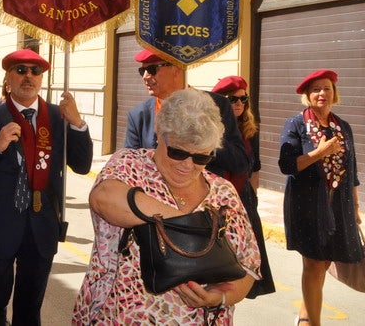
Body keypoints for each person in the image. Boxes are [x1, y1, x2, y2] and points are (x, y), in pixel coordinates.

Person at [73, 88, 260, 324]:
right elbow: (104, 199)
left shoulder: (223, 193)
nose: (188, 165)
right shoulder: (130, 165)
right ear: (161, 133)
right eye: (178, 152)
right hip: (120, 317)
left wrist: (219, 298)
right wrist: (195, 228)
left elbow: (248, 266)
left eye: (201, 157)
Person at [0, 49, 93, 325]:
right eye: (20, 70)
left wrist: (78, 123)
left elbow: (82, 166)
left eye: (35, 71)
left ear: (41, 79)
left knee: (30, 308)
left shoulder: (59, 117)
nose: (28, 76)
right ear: (8, 78)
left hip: (41, 225)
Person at [278, 69, 363, 325]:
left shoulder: (343, 126)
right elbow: (286, 165)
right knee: (314, 265)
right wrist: (319, 152)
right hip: (307, 206)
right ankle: (311, 322)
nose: (321, 93)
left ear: (333, 92)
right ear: (307, 95)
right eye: (315, 89)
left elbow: (353, 169)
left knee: (324, 262)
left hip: (339, 204)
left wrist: (356, 207)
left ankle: (305, 313)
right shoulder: (296, 124)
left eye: (326, 88)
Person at [124, 49, 249, 181]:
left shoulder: (217, 105)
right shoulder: (139, 115)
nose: (145, 77)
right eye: (142, 71)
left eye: (152, 69)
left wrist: (206, 137)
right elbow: (130, 165)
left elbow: (240, 164)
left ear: (177, 68)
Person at [211, 75, 275, 298]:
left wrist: (253, 198)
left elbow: (254, 167)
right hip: (216, 202)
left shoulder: (250, 130)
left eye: (243, 99)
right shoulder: (210, 129)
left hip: (244, 201)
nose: (239, 104)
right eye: (232, 99)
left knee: (244, 264)